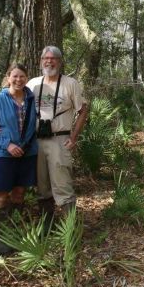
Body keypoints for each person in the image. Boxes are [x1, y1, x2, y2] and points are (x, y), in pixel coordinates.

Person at [26, 46, 89, 228]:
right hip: (36, 141)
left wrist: (73, 137)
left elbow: (83, 111)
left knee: (63, 186)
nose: (49, 61)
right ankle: (47, 227)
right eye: (46, 58)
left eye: (53, 58)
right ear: (40, 61)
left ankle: (70, 231)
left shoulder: (70, 83)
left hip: (60, 140)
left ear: (59, 62)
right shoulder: (32, 84)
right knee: (42, 187)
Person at [0, 63, 37, 255]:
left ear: (27, 78)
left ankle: (13, 238)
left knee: (19, 193)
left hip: (27, 154)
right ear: (8, 77)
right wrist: (7, 145)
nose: (18, 80)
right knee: (1, 195)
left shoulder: (32, 99)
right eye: (15, 76)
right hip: (4, 156)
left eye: (22, 76)